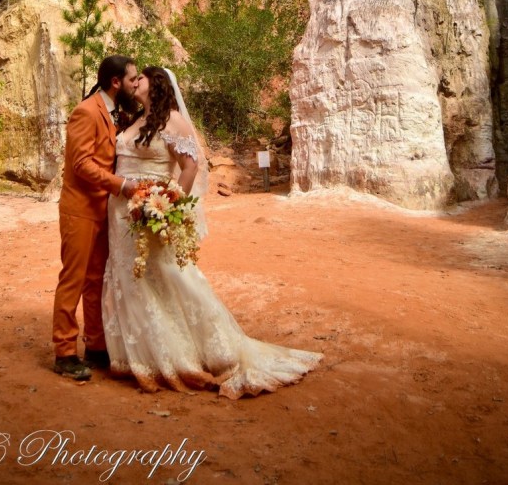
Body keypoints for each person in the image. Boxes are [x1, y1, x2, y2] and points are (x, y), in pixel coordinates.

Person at [102, 66, 323, 399]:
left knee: (166, 277)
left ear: (156, 83)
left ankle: (185, 354)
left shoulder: (172, 120)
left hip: (150, 209)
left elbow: (190, 165)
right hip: (121, 213)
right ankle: (138, 355)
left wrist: (168, 203)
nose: (135, 82)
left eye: (140, 78)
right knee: (132, 280)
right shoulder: (135, 119)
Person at [52, 54, 139, 380]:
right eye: (132, 79)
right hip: (80, 210)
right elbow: (81, 164)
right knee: (73, 279)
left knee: (95, 281)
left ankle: (96, 346)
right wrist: (122, 185)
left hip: (103, 210)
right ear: (116, 82)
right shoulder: (86, 111)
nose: (136, 84)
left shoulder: (116, 112)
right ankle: (64, 352)